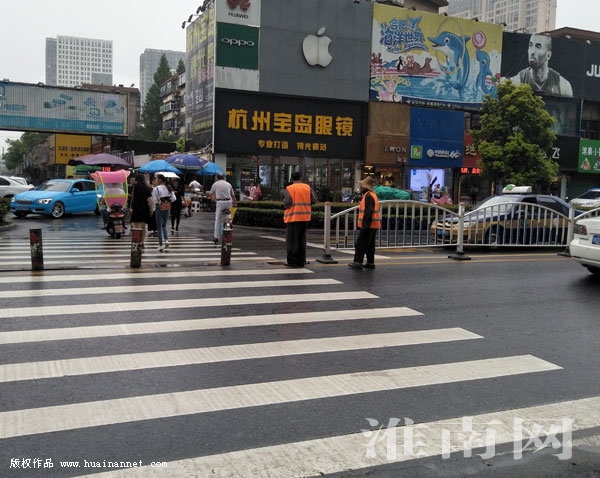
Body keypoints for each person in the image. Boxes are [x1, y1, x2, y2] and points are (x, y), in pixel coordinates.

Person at [283, 171, 317, 267]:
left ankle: (293, 261)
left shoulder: (290, 188)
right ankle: (301, 260)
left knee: (292, 241)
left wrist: (284, 202)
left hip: (293, 218)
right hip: (305, 218)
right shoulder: (307, 187)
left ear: (292, 179)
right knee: (302, 240)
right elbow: (314, 200)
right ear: (301, 178)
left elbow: (287, 203)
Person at [348, 176, 381, 270]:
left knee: (361, 243)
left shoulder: (368, 195)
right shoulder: (372, 195)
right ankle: (370, 262)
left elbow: (368, 211)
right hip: (374, 224)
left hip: (369, 224)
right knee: (370, 245)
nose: (361, 187)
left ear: (366, 186)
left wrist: (365, 225)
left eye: (362, 185)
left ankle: (358, 262)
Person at [208, 172, 237, 244]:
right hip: (229, 202)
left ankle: (216, 237)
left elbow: (210, 194)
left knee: (218, 220)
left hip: (220, 202)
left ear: (217, 178)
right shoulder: (228, 184)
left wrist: (215, 201)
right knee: (228, 218)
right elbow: (233, 196)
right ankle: (228, 231)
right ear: (223, 178)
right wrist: (235, 204)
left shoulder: (215, 184)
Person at [128, 174, 154, 246]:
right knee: (143, 227)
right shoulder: (146, 188)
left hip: (135, 210)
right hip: (144, 210)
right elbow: (150, 201)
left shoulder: (134, 188)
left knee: (135, 228)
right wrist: (151, 210)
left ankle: (136, 242)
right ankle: (141, 242)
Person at [152, 174, 175, 252]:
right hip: (167, 207)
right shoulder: (169, 187)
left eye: (157, 179)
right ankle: (166, 240)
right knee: (164, 225)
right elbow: (174, 198)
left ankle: (161, 244)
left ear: (160, 180)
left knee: (159, 227)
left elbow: (154, 200)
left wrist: (158, 203)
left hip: (159, 208)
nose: (156, 181)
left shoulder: (156, 189)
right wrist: (167, 202)